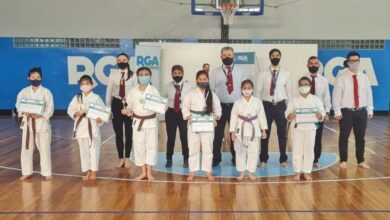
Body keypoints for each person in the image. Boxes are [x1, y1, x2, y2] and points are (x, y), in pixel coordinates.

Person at [333, 51, 373, 170]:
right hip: (346, 112)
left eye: (356, 61)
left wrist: (370, 109)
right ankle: (343, 160)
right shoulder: (342, 77)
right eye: (351, 61)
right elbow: (336, 95)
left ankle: (360, 160)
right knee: (344, 136)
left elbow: (369, 94)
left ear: (359, 62)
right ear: (348, 62)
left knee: (360, 137)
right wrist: (337, 111)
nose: (354, 63)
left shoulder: (364, 77)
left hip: (361, 111)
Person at [209, 46, 247, 166]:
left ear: (234, 56)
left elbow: (245, 90)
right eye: (224, 55)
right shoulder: (215, 72)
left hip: (235, 107)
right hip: (219, 107)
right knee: (217, 134)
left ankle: (236, 158)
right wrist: (213, 110)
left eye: (229, 55)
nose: (227, 57)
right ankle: (216, 158)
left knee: (235, 134)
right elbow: (211, 91)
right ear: (221, 57)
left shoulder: (241, 71)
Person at [122, 67, 161, 180]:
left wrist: (163, 107)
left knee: (151, 146)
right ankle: (143, 172)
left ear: (150, 76)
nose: (144, 76)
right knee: (139, 147)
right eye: (142, 74)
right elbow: (129, 105)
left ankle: (149, 172)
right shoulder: (133, 91)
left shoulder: (154, 90)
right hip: (138, 122)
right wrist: (127, 110)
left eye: (146, 74)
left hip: (151, 122)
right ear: (138, 76)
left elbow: (159, 107)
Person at [182, 70, 222, 181]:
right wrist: (188, 116)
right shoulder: (190, 93)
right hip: (193, 121)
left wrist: (215, 117)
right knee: (193, 147)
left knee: (208, 148)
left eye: (204, 79)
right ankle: (192, 172)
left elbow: (218, 108)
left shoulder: (212, 94)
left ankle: (208, 172)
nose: (202, 81)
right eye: (200, 79)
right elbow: (184, 107)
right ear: (196, 80)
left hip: (207, 121)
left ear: (208, 80)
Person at [256, 48, 292, 168]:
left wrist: (289, 110)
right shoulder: (263, 73)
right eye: (273, 55)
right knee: (265, 133)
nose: (275, 57)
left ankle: (283, 159)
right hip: (266, 106)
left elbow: (289, 93)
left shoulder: (286, 73)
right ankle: (263, 159)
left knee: (282, 134)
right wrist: (258, 107)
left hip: (281, 106)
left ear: (280, 57)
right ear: (270, 57)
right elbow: (258, 92)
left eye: (277, 55)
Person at [16, 67, 54, 181]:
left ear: (41, 78)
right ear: (28, 78)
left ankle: (47, 173)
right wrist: (24, 112)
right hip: (28, 123)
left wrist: (40, 115)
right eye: (33, 77)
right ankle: (27, 172)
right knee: (26, 148)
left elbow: (50, 108)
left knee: (44, 148)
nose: (35, 79)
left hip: (41, 124)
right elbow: (18, 105)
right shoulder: (23, 91)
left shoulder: (46, 92)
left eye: (38, 77)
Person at [285, 77, 326, 181]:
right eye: (302, 84)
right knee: (297, 150)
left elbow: (322, 112)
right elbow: (287, 113)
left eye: (306, 84)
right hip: (297, 128)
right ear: (299, 87)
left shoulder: (315, 99)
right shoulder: (294, 100)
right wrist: (290, 115)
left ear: (310, 86)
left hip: (311, 128)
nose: (304, 86)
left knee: (309, 150)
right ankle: (297, 172)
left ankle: (307, 172)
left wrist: (320, 116)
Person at [67, 75, 105, 183]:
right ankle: (87, 170)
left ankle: (94, 171)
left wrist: (100, 119)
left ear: (91, 85)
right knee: (83, 151)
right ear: (80, 85)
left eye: (87, 83)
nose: (85, 85)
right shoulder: (77, 97)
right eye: (83, 83)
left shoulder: (96, 97)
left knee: (94, 150)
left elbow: (102, 111)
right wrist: (76, 113)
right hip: (80, 126)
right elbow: (70, 110)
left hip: (92, 126)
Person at [230, 80, 267, 181]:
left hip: (254, 129)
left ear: (252, 89)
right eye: (245, 88)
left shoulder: (257, 101)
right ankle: (241, 173)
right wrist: (232, 132)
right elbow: (233, 118)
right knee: (240, 152)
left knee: (254, 152)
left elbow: (262, 116)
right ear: (241, 89)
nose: (247, 90)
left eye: (249, 88)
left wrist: (263, 130)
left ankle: (251, 173)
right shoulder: (237, 103)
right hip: (240, 130)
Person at [105, 52, 137, 168]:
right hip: (116, 104)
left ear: (128, 61)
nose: (121, 61)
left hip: (129, 104)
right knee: (118, 133)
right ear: (117, 62)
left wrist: (133, 108)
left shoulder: (133, 75)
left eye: (124, 59)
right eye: (119, 60)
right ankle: (120, 158)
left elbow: (136, 92)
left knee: (129, 133)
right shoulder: (113, 75)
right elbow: (109, 92)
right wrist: (108, 109)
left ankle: (127, 158)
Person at [162, 65, 192, 168]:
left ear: (183, 74)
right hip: (171, 113)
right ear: (171, 74)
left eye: (179, 73)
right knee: (171, 137)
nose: (177, 75)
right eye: (175, 73)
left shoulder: (188, 87)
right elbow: (162, 99)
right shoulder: (166, 86)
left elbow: (191, 101)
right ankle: (169, 159)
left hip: (183, 113)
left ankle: (186, 159)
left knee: (184, 137)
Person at [306, 56, 332, 168]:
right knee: (305, 137)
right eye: (311, 63)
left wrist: (326, 112)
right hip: (305, 114)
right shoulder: (301, 78)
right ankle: (305, 158)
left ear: (319, 65)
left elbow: (326, 97)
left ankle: (315, 159)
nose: (313, 65)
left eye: (316, 63)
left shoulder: (324, 80)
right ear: (307, 65)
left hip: (318, 114)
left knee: (317, 137)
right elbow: (296, 96)